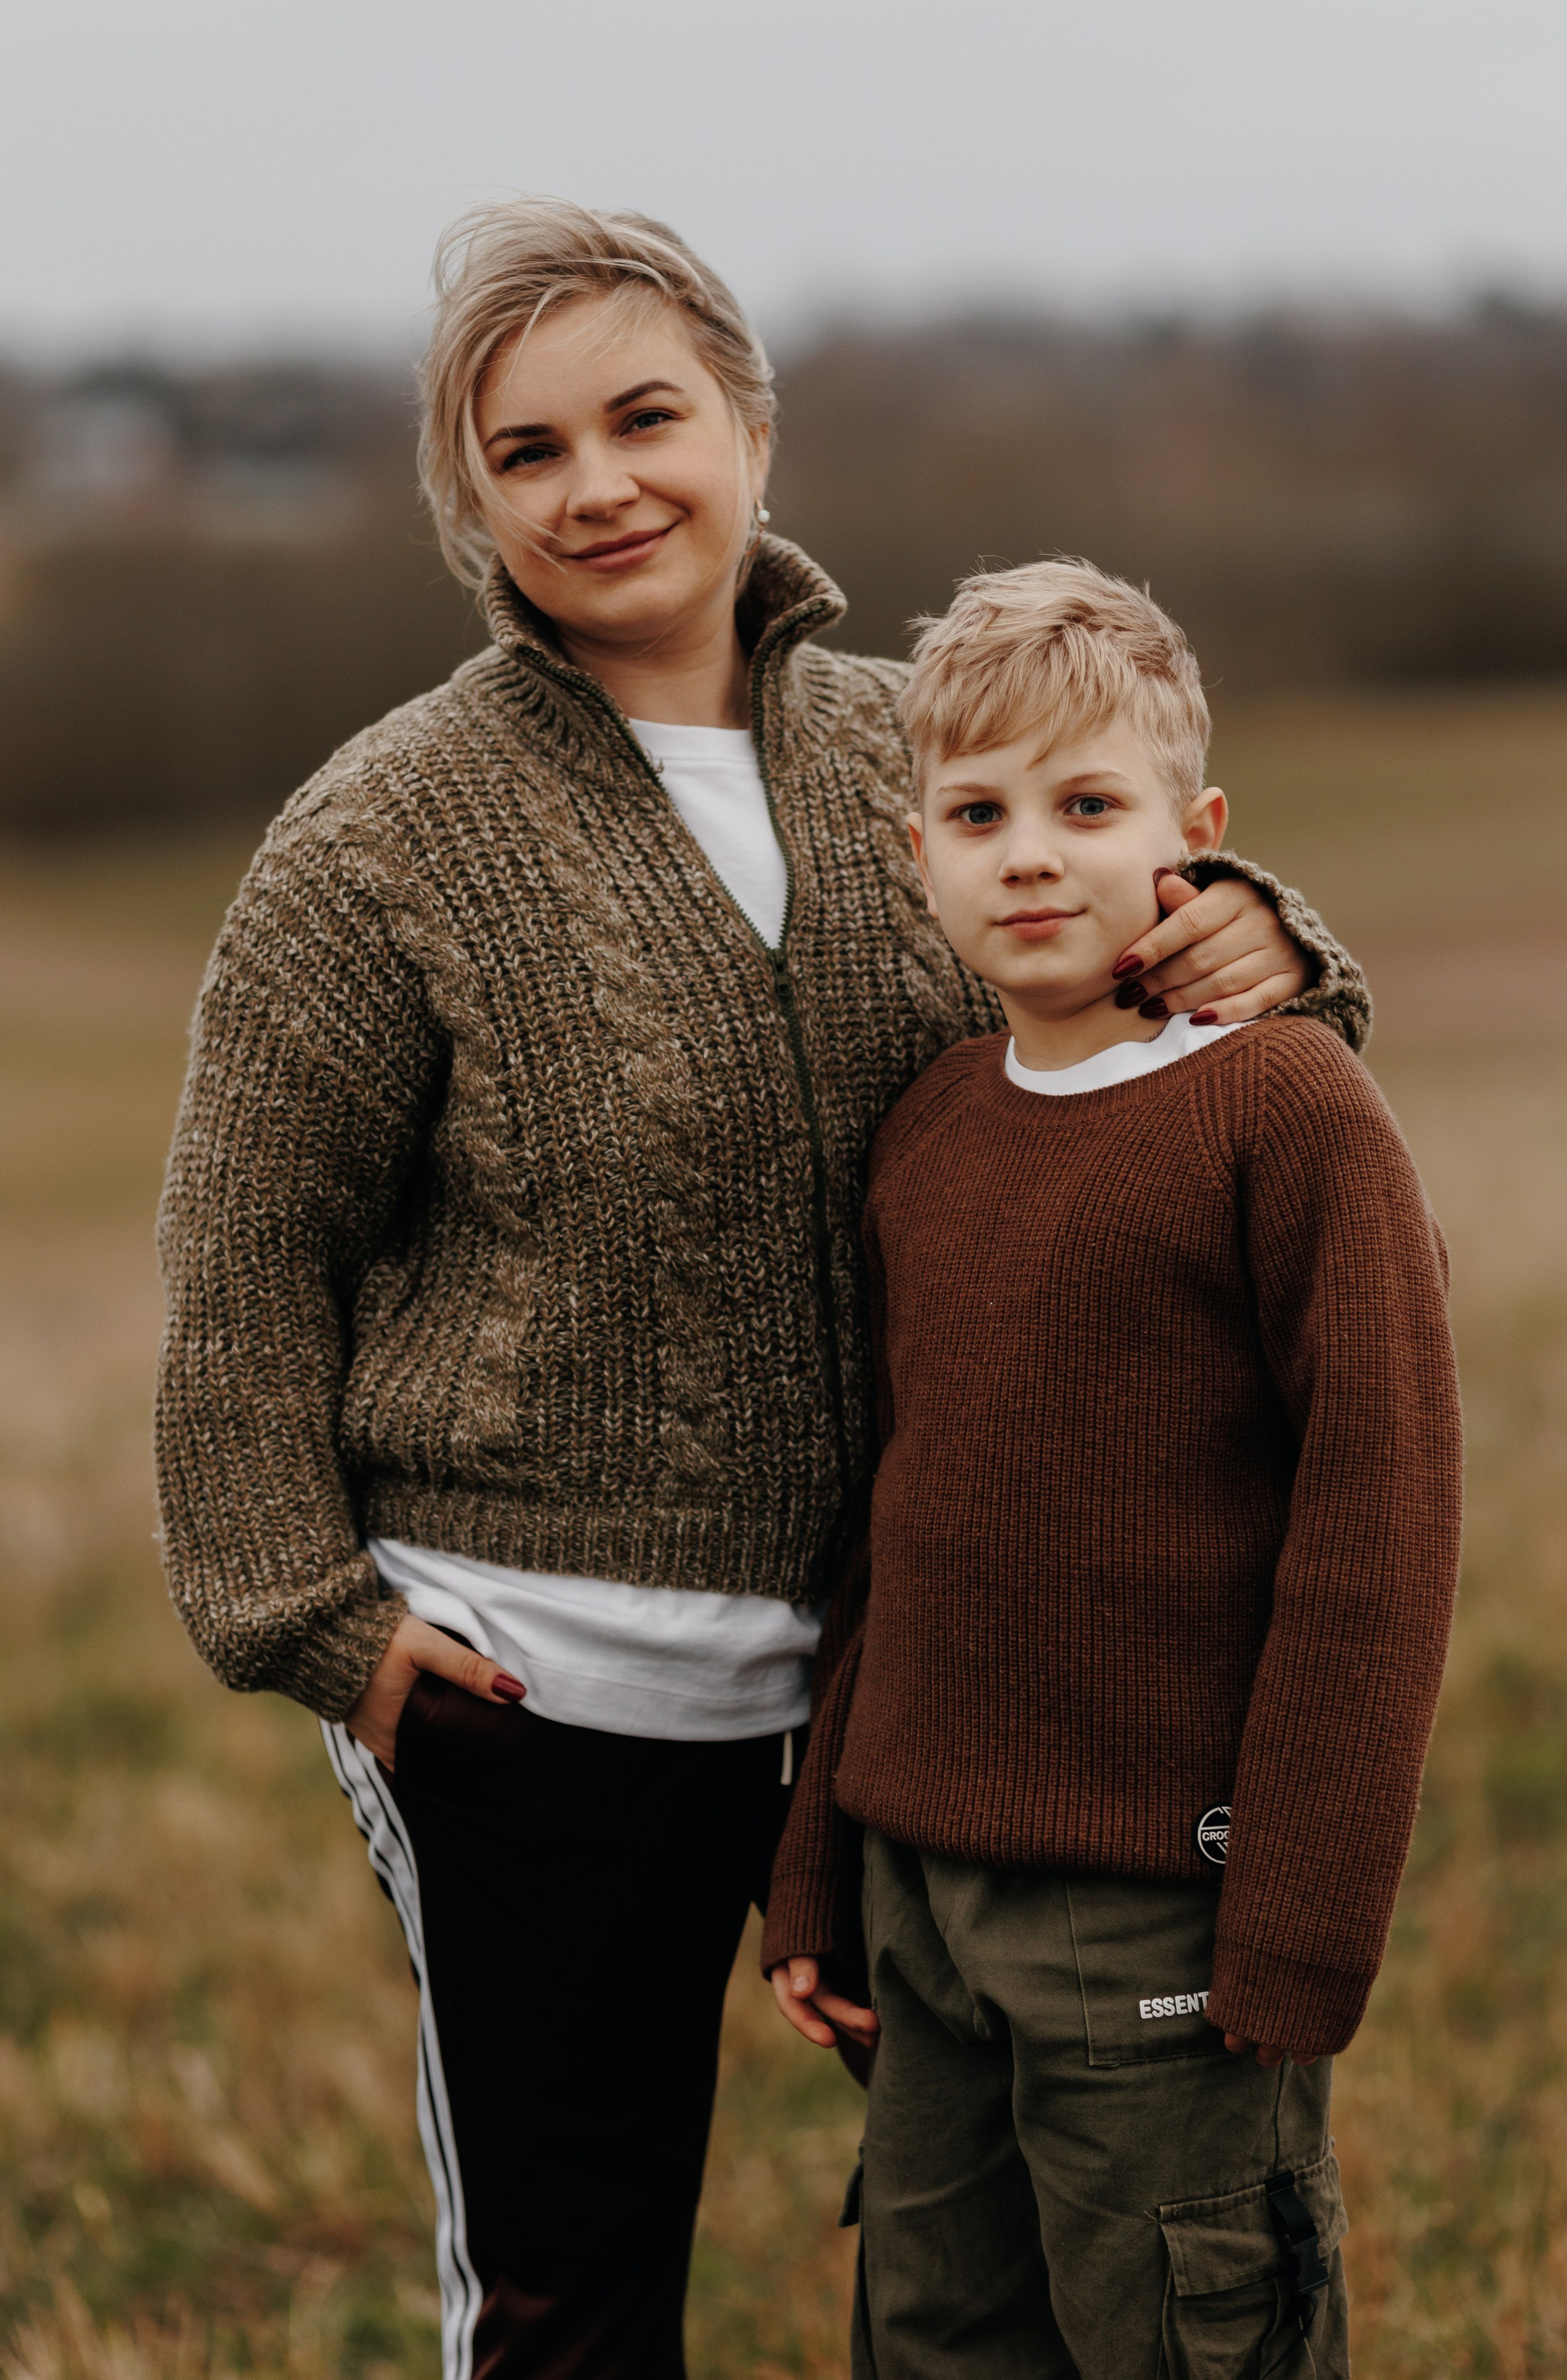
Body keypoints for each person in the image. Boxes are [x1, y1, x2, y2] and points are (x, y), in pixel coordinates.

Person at [154, 196, 1370, 2380]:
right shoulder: (380, 841)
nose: (600, 482)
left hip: (905, 1689)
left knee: (995, 2244)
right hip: (540, 1697)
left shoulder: (934, 755)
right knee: (576, 2288)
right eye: (526, 452)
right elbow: (244, 1262)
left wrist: (1270, 942)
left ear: (751, 427)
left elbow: (1156, 1013)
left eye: (647, 415)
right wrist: (321, 1629)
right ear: (472, 506)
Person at [763, 561, 1461, 2380]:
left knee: (1180, 2336)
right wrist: (824, 1858)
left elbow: (1376, 1540)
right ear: (916, 849)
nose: (1031, 857)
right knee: (936, 2337)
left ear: (1197, 834)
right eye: (980, 816)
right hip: (925, 1903)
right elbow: (895, 1528)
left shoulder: (1286, 1110)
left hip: (1166, 1911)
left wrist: (1301, 1917)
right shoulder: (930, 1132)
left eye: (1088, 807)